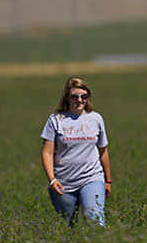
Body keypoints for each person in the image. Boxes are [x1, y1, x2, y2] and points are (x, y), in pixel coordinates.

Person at [40, 77, 111, 226]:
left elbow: (103, 151)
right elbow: (47, 152)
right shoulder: (55, 120)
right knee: (67, 225)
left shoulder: (95, 119)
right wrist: (52, 179)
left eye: (84, 97)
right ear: (67, 97)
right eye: (75, 97)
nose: (79, 100)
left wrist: (108, 180)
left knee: (94, 219)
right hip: (63, 182)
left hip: (92, 177)